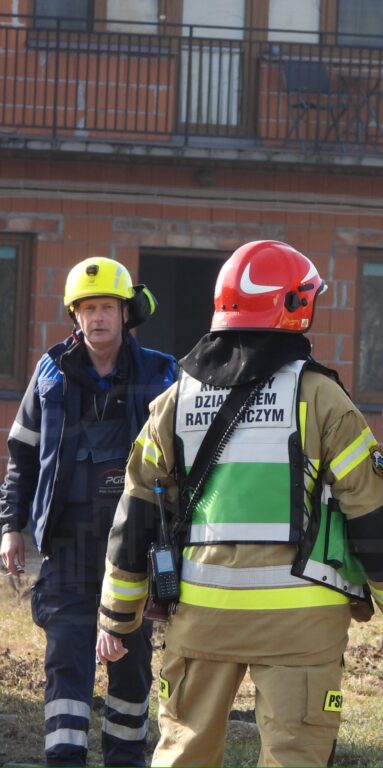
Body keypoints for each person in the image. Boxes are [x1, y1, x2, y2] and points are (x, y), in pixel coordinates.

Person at [94, 240, 383, 767]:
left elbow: (135, 514)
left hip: (202, 616)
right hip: (302, 622)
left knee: (184, 753)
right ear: (295, 306)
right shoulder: (322, 399)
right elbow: (373, 515)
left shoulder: (175, 401)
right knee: (295, 756)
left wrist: (116, 617)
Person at [0, 257, 176, 766]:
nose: (97, 318)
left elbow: (185, 465)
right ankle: (65, 759)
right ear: (74, 316)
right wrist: (11, 526)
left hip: (135, 547)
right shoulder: (50, 372)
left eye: (106, 307)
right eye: (87, 308)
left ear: (126, 313)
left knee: (133, 664)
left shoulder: (161, 373)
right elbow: (23, 453)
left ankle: (125, 757)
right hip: (69, 546)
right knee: (67, 663)